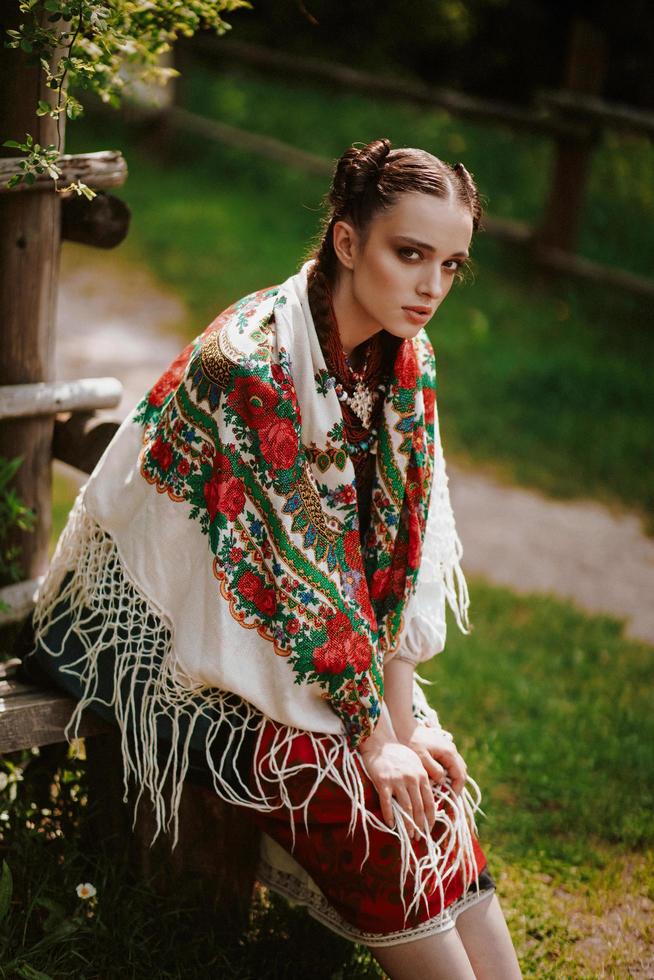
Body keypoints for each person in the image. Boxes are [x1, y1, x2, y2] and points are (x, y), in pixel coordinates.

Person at [20, 138, 522, 978]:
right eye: (410, 255)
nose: (432, 287)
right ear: (348, 242)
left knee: (425, 787)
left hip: (281, 628)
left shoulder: (406, 359)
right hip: (152, 634)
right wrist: (369, 732)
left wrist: (401, 722)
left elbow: (389, 556)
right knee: (339, 787)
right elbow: (291, 573)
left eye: (451, 265)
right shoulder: (253, 362)